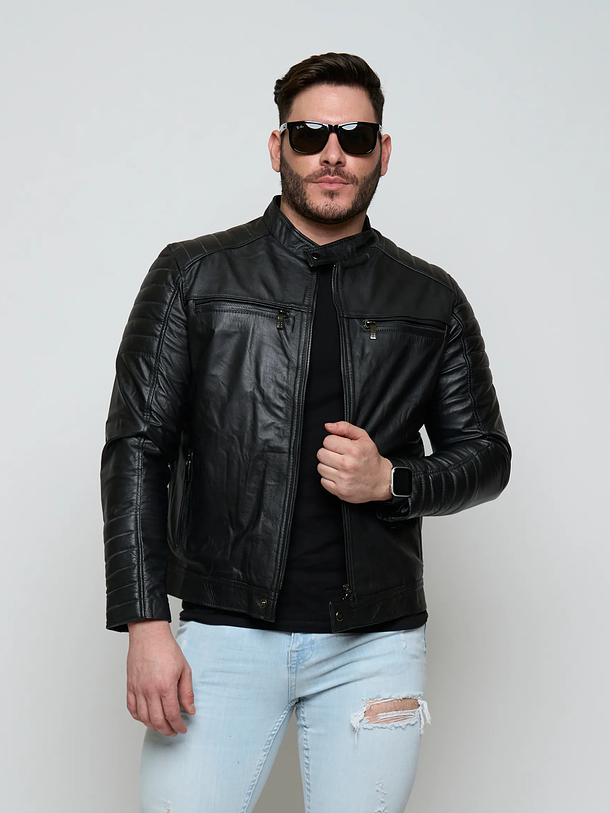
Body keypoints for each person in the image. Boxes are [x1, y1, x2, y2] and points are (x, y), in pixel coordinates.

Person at [101, 52, 511, 813]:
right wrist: (145, 622)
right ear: (277, 146)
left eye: (355, 137)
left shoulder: (431, 297)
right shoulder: (193, 275)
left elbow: (487, 456)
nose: (332, 153)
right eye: (309, 133)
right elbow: (137, 451)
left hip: (375, 645)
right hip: (223, 632)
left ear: (382, 152)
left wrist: (393, 480)